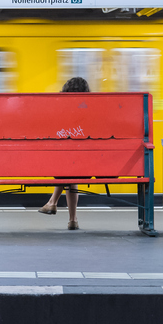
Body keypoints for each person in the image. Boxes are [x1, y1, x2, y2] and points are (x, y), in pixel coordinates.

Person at [38, 76, 90, 230]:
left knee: (67, 166)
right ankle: (72, 219)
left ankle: (53, 202)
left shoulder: (61, 110)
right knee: (70, 169)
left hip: (68, 165)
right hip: (88, 166)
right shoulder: (91, 109)